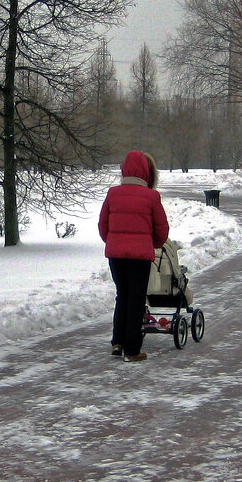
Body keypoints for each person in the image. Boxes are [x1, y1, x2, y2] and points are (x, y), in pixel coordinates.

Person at [98, 150, 169, 362]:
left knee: (122, 296)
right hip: (140, 256)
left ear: (125, 170)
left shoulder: (113, 194)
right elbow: (162, 230)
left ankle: (117, 342)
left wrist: (113, 242)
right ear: (146, 172)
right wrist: (152, 244)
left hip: (116, 256)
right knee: (136, 299)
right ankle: (132, 350)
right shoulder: (152, 196)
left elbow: (103, 225)